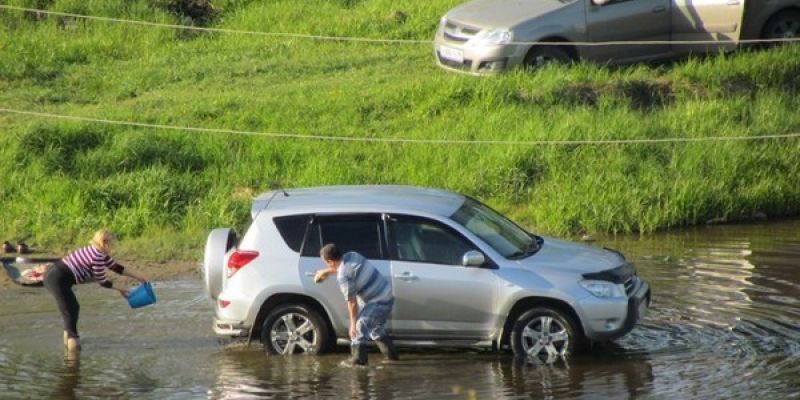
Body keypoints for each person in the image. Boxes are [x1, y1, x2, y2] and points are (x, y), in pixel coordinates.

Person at [43, 229, 148, 352]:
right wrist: (120, 289)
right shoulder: (97, 256)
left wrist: (137, 276)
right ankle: (73, 353)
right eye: (112, 243)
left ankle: (68, 356)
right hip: (57, 279)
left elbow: (116, 267)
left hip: (56, 275)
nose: (114, 246)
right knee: (72, 310)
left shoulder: (97, 251)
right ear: (104, 242)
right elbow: (102, 281)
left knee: (70, 313)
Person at [314, 243, 398, 365]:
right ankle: (392, 358)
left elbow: (352, 302)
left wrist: (352, 324)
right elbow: (343, 267)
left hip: (379, 301)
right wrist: (326, 271)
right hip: (386, 293)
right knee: (376, 329)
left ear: (330, 261)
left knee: (358, 329)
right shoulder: (353, 255)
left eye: (325, 262)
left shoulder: (343, 277)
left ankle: (358, 361)